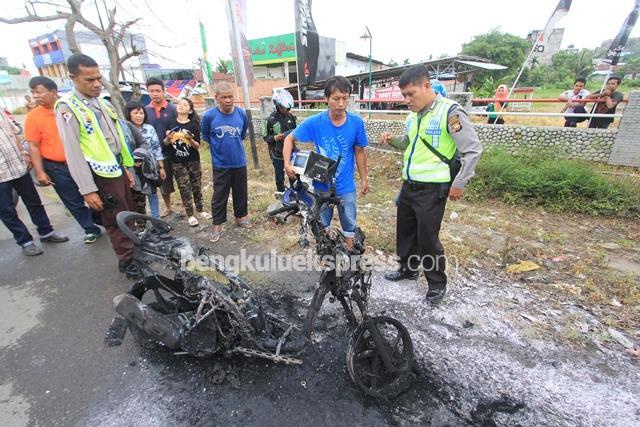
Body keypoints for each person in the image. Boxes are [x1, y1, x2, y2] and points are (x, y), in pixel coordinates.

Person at [379, 65, 482, 304]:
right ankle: (408, 268)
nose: (407, 100)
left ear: (426, 86)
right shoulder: (413, 116)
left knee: (427, 237)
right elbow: (409, 143)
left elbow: (472, 149)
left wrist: (460, 182)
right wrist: (393, 140)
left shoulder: (450, 113)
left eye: (410, 94)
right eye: (403, 95)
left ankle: (436, 283)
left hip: (433, 188)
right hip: (409, 184)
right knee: (405, 232)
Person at [55, 53, 139, 278]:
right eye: (89, 80)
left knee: (127, 214)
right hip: (99, 175)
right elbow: (72, 152)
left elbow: (117, 139)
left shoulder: (101, 102)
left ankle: (134, 254)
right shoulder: (67, 107)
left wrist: (126, 168)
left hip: (117, 168)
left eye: (98, 78)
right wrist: (88, 189)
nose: (96, 84)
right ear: (73, 78)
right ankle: (127, 262)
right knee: (114, 219)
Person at [283, 76, 369, 250]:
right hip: (321, 185)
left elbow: (360, 151)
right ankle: (327, 249)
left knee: (349, 220)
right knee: (322, 221)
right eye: (336, 99)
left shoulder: (356, 123)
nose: (341, 104)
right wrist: (287, 164)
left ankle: (350, 249)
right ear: (326, 99)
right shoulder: (315, 122)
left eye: (345, 98)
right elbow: (289, 138)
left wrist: (364, 178)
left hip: (345, 185)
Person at [24, 76, 102, 243]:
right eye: (33, 93)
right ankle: (90, 228)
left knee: (96, 192)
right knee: (72, 200)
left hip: (83, 161)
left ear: (53, 92)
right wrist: (40, 171)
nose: (36, 96)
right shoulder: (33, 117)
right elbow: (34, 146)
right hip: (56, 166)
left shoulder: (69, 107)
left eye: (39, 92)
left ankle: (100, 219)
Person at [0, 107, 68, 255]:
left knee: (34, 202)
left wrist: (24, 153)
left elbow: (12, 134)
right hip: (1, 175)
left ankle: (46, 232)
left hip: (18, 167)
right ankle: (25, 241)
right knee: (6, 210)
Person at [201, 82, 250, 243]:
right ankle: (217, 224)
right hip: (220, 163)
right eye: (224, 97)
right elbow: (206, 136)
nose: (228, 100)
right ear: (217, 98)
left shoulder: (242, 114)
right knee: (219, 195)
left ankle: (240, 216)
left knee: (240, 192)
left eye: (230, 97)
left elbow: (242, 135)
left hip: (239, 162)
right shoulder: (209, 116)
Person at [164, 98, 209, 227]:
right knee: (184, 188)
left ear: (190, 110)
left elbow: (197, 146)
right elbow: (165, 143)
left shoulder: (193, 124)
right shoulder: (170, 122)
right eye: (179, 104)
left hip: (193, 161)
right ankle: (190, 214)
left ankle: (200, 210)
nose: (181, 106)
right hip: (177, 162)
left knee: (196, 186)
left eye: (185, 105)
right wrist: (168, 137)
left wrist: (189, 139)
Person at [124, 100, 165, 219]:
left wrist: (161, 167)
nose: (139, 116)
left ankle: (156, 221)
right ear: (129, 114)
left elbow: (157, 148)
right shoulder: (125, 130)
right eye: (136, 113)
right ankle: (141, 224)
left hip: (149, 167)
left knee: (152, 194)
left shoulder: (149, 128)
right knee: (138, 198)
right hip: (133, 169)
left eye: (141, 113)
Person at [144, 77, 177, 217]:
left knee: (182, 180)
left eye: (158, 91)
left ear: (163, 91)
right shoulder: (145, 111)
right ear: (148, 92)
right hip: (158, 154)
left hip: (175, 151)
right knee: (164, 183)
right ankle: (168, 207)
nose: (155, 94)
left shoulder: (172, 109)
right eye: (152, 91)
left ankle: (185, 207)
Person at [263, 89, 297, 192]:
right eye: (283, 108)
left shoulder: (290, 117)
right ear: (277, 105)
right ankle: (281, 195)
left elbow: (295, 131)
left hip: (291, 152)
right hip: (277, 154)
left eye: (288, 108)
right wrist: (275, 138)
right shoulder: (270, 120)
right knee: (279, 177)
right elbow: (265, 137)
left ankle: (295, 193)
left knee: (294, 175)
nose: (286, 110)